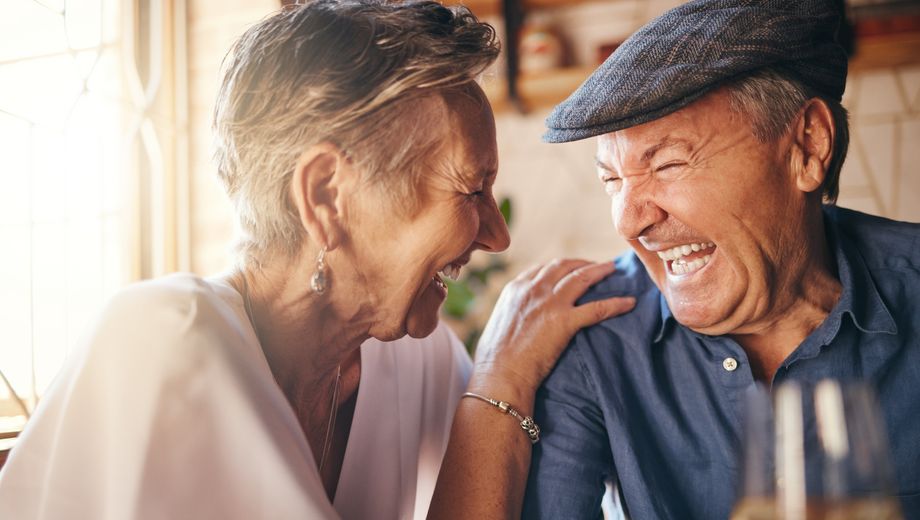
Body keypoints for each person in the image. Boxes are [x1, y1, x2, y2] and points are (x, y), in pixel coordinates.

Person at [0, 1, 636, 519]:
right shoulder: (162, 336)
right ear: (327, 197)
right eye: (471, 189)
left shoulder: (417, 356)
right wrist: (501, 375)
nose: (497, 235)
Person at [522, 0, 920, 518]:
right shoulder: (592, 338)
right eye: (612, 180)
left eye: (667, 163)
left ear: (807, 146)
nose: (628, 222)